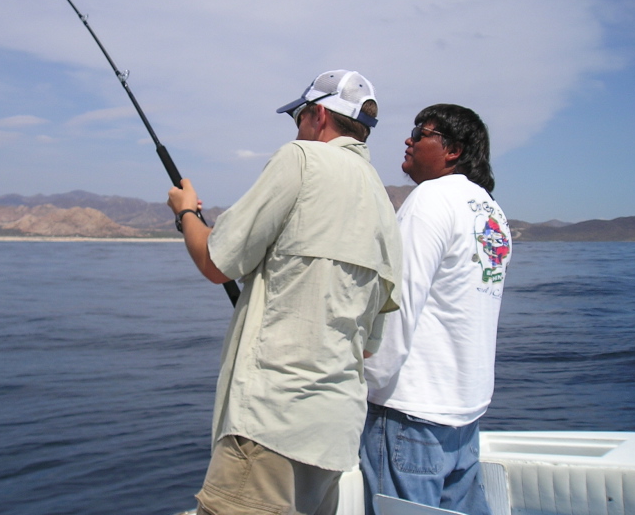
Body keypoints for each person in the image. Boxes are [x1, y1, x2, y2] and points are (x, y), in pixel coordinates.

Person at [167, 70, 402, 515]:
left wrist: (187, 213)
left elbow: (216, 263)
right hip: (333, 436)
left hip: (269, 424)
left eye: (297, 117)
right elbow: (369, 347)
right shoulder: (384, 205)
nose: (296, 128)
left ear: (317, 115)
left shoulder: (301, 158)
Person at [360, 104, 512, 515]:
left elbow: (398, 303)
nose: (408, 139)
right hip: (465, 414)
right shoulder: (490, 212)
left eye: (420, 132)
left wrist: (365, 383)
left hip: (412, 414)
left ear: (453, 150)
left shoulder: (429, 199)